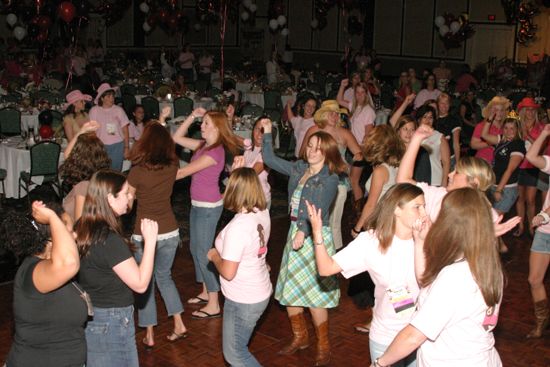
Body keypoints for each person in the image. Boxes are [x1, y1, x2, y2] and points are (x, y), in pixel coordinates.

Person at [372, 188, 504, 367]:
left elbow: (413, 336)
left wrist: (379, 363)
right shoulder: (485, 263)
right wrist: (419, 243)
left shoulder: (456, 278)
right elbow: (427, 285)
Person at [308, 183, 425, 366]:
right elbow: (326, 268)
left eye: (424, 206)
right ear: (396, 210)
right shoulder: (371, 242)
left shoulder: (430, 239)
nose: (424, 213)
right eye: (417, 207)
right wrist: (317, 233)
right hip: (387, 335)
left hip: (420, 335)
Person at [261, 118, 347, 366]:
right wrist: (268, 132)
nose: (311, 151)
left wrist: (302, 230)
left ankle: (324, 345)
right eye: (310, 145)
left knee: (315, 296)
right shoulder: (300, 169)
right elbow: (270, 159)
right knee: (291, 290)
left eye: (318, 148)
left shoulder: (329, 178)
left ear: (327, 152)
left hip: (315, 239)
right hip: (295, 235)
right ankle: (301, 337)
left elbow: (317, 208)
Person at [75, 170, 158, 367]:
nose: (131, 197)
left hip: (93, 314)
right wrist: (151, 243)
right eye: (125, 193)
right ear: (109, 199)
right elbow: (140, 284)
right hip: (111, 320)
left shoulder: (83, 225)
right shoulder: (108, 240)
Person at [172, 108, 241, 319]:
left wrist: (153, 177)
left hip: (209, 208)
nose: (201, 126)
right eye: (202, 123)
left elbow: (183, 172)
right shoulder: (203, 145)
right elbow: (176, 137)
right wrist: (192, 115)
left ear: (217, 128)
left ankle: (214, 303)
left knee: (203, 252)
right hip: (198, 204)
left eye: (206, 123)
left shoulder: (215, 152)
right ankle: (204, 291)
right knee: (195, 248)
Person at [126, 117, 188, 349]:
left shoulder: (137, 172)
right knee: (164, 277)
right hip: (170, 231)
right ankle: (179, 323)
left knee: (146, 282)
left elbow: (128, 205)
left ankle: (150, 333)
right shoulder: (173, 167)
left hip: (144, 234)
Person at [0, 201, 86, 367]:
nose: (74, 235)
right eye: (68, 230)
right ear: (52, 237)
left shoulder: (51, 271)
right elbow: (69, 263)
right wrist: (53, 218)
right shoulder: (33, 271)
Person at [207, 167, 271, 367]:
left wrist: (214, 256)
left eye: (228, 187)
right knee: (238, 349)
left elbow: (228, 272)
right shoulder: (262, 211)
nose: (225, 190)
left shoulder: (238, 228)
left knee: (235, 354)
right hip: (257, 289)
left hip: (244, 299)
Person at [301, 100, 362, 250]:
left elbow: (359, 154)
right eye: (331, 113)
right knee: (311, 216)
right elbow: (302, 153)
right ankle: (310, 249)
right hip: (314, 177)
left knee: (334, 221)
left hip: (337, 180)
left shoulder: (344, 133)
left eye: (337, 113)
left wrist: (353, 164)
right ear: (323, 114)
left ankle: (334, 253)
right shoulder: (313, 130)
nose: (335, 116)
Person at [353, 125, 404, 236]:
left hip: (380, 221)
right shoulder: (398, 165)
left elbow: (371, 204)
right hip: (392, 219)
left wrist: (357, 228)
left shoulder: (380, 171)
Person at [524, 124, 550, 338]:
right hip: (545, 231)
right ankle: (542, 322)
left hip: (545, 221)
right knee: (534, 279)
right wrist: (545, 133)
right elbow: (532, 156)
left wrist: (545, 214)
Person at [60, 121, 111, 224]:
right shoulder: (100, 178)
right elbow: (67, 155)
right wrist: (81, 131)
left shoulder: (82, 187)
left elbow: (80, 224)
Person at [337, 79, 376, 201]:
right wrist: (342, 86)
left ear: (366, 94)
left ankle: (358, 208)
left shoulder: (368, 110)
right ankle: (359, 199)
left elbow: (368, 135)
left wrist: (361, 153)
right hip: (352, 148)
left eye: (362, 92)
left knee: (354, 181)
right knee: (351, 178)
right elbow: (338, 100)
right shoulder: (355, 107)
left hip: (360, 149)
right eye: (357, 92)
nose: (359, 95)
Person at [481, 116, 525, 215]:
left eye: (512, 128)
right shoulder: (502, 139)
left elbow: (510, 170)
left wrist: (499, 190)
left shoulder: (518, 145)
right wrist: (489, 119)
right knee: (489, 219)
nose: (508, 131)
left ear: (517, 129)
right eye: (506, 128)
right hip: (494, 184)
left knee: (495, 220)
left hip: (506, 188)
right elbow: (484, 135)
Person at [516, 97, 544, 237]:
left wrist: (528, 136)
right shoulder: (517, 126)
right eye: (528, 110)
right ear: (523, 111)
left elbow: (542, 148)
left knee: (531, 199)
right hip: (518, 166)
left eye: (533, 110)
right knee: (520, 199)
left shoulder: (541, 127)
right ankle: (521, 226)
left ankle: (531, 227)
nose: (531, 112)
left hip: (533, 167)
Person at [89, 83, 131, 171]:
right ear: (102, 98)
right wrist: (94, 147)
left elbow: (125, 129)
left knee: (115, 172)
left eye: (112, 96)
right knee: (101, 172)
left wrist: (126, 148)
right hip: (101, 146)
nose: (112, 98)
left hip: (117, 145)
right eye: (108, 96)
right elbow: (92, 131)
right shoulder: (94, 110)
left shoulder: (118, 110)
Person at [415, 105, 450, 186]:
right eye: (425, 117)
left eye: (430, 117)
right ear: (419, 119)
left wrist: (444, 182)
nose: (428, 120)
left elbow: (446, 163)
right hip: (416, 180)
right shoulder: (413, 136)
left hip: (435, 180)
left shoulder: (439, 137)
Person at [470, 96, 510, 164]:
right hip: (483, 162)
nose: (499, 113)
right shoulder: (482, 126)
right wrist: (490, 143)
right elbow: (473, 145)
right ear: (491, 111)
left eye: (501, 110)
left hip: (500, 164)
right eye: (496, 110)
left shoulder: (506, 126)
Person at [241, 118, 271, 208]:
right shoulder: (249, 147)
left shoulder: (267, 154)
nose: (260, 134)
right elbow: (231, 137)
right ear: (253, 130)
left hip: (259, 200)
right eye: (257, 129)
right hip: (245, 196)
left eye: (263, 131)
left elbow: (251, 175)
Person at [435, 93, 462, 165]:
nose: (444, 106)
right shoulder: (432, 119)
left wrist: (458, 162)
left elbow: (456, 144)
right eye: (442, 103)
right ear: (438, 104)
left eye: (447, 103)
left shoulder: (454, 120)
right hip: (435, 159)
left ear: (450, 105)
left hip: (450, 159)